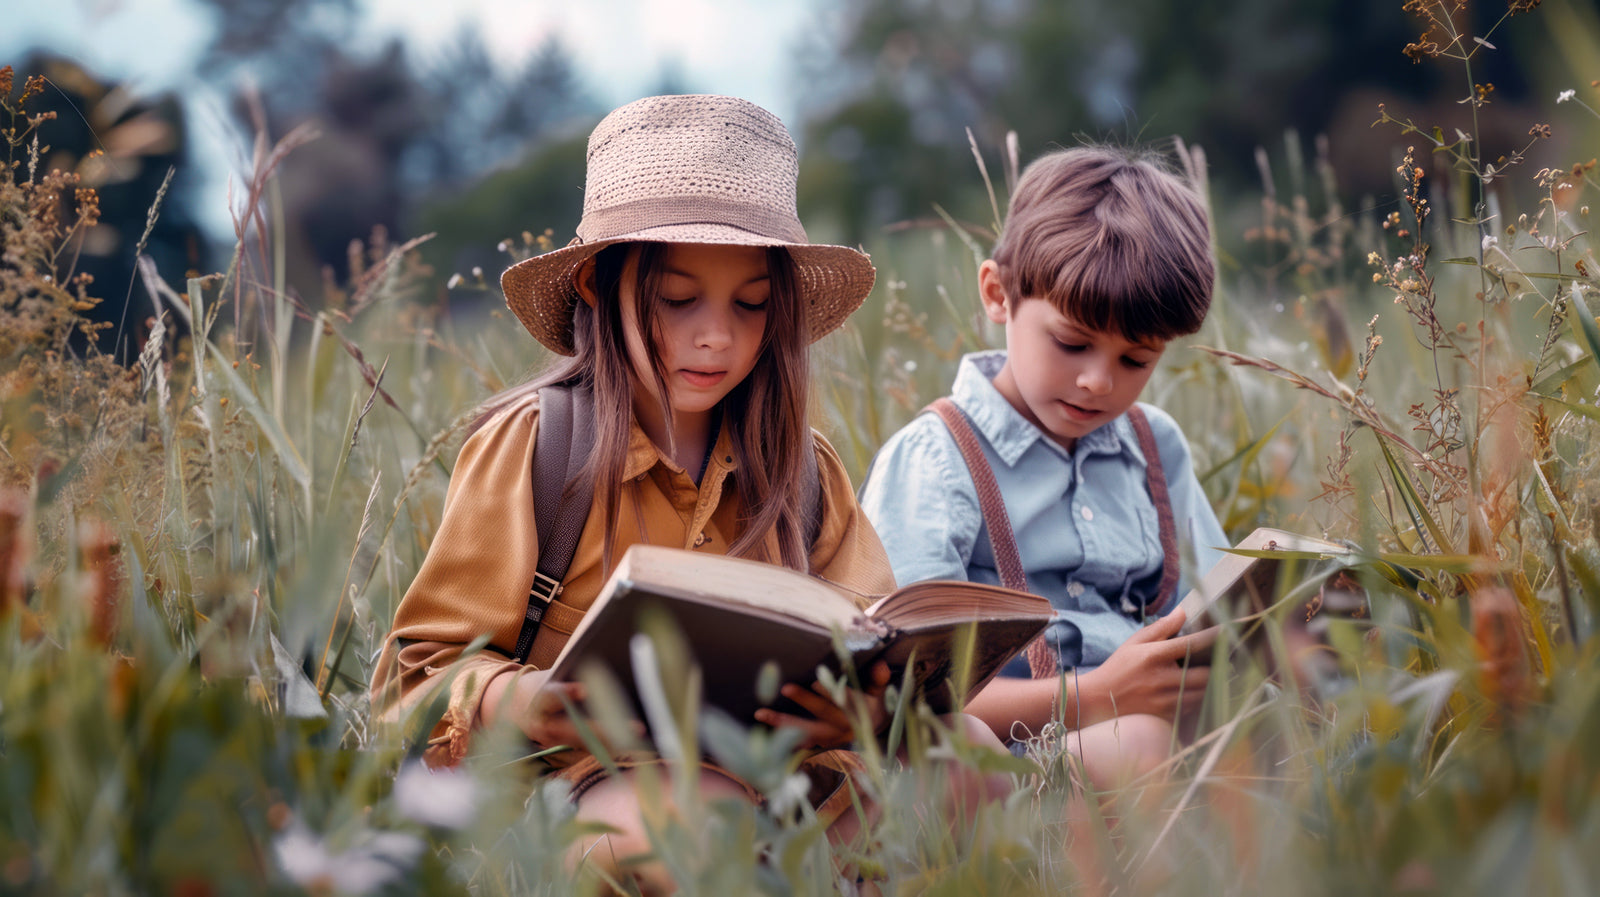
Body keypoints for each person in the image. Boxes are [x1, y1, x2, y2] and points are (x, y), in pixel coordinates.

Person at [370, 94, 1002, 892]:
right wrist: (526, 698)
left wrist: (865, 714)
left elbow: (871, 640)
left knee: (971, 755)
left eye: (751, 305)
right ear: (600, 287)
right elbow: (416, 676)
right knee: (699, 813)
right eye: (678, 300)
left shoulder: (805, 472)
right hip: (591, 809)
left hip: (793, 806)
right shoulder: (535, 447)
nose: (717, 336)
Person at [858, 145, 1229, 788]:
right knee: (1129, 744)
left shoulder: (1155, 445)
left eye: (1135, 361)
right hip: (999, 760)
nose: (1096, 382)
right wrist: (1098, 695)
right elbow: (905, 702)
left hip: (1157, 737)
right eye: (1071, 343)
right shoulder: (933, 463)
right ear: (998, 295)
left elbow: (1213, 600)